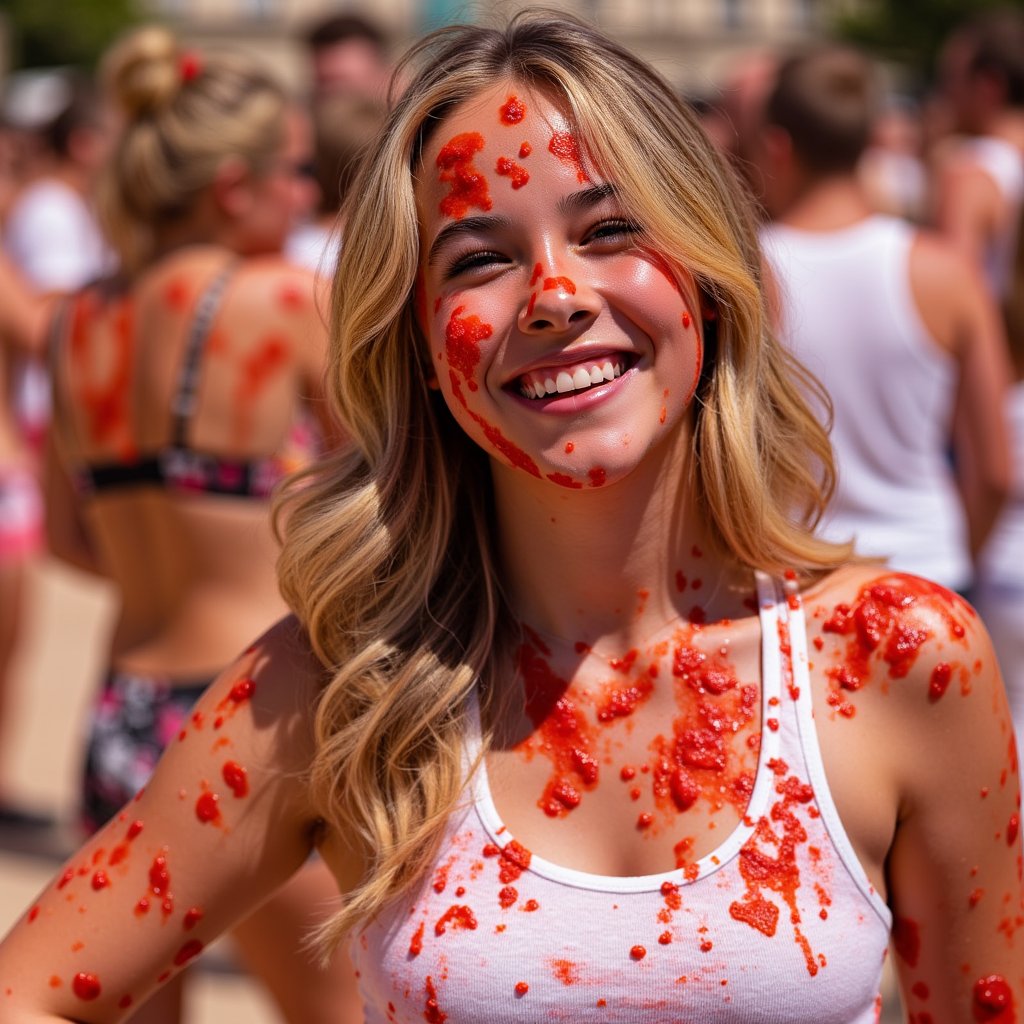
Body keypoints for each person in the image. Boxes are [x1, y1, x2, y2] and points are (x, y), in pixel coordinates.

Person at [0, 12, 1020, 1022]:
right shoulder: (343, 691)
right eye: (479, 258)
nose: (554, 294)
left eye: (611, 230)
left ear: (709, 279)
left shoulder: (894, 662)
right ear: (421, 352)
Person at [20, 26, 357, 1024]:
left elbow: (70, 541)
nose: (306, 195)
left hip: (121, 716)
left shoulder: (78, 321)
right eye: (293, 172)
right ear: (232, 186)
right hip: (253, 715)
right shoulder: (286, 299)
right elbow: (391, 492)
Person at [753, 44, 1011, 594]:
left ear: (778, 146)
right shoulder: (945, 272)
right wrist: (953, 558)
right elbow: (994, 468)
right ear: (872, 139)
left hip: (799, 574)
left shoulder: (749, 274)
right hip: (928, 567)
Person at [933, 8, 1024, 766]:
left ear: (987, 85)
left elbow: (953, 305)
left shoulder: (975, 169)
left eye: (951, 77)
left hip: (1002, 411)